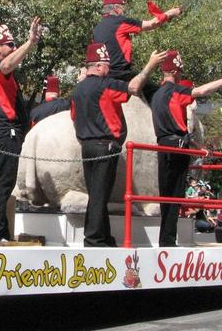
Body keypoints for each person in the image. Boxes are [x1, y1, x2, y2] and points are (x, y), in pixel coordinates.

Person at [71, 43, 167, 247]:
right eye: (106, 65)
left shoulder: (78, 90)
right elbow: (133, 87)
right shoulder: (105, 85)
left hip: (87, 145)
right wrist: (149, 66)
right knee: (99, 195)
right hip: (105, 145)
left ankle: (103, 236)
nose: (109, 69)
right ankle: (93, 238)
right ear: (98, 66)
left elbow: (74, 116)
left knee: (97, 193)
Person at [151, 51, 222, 246]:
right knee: (175, 194)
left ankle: (165, 239)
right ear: (173, 71)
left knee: (167, 195)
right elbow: (200, 92)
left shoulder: (157, 94)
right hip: (177, 148)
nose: (182, 75)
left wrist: (198, 147)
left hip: (163, 145)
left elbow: (176, 127)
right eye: (180, 72)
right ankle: (167, 240)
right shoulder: (175, 91)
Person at [0, 17, 42, 241]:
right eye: (10, 44)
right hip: (2, 133)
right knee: (2, 185)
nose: (13, 48)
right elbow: (6, 64)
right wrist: (30, 42)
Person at [93, 0, 181, 101]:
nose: (123, 10)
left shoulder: (97, 28)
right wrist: (171, 13)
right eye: (122, 7)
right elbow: (152, 24)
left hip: (105, 76)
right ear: (116, 8)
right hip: (122, 75)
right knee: (158, 95)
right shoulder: (121, 21)